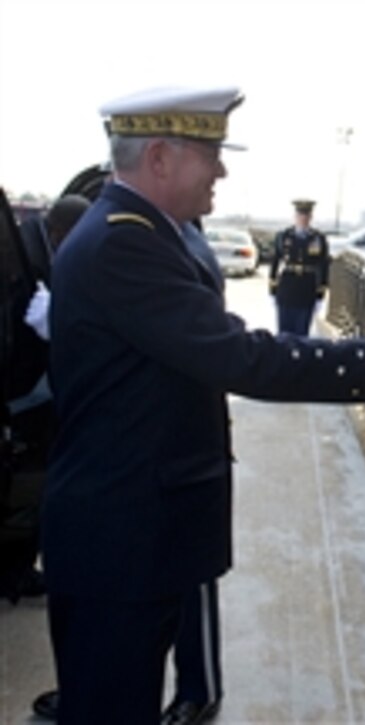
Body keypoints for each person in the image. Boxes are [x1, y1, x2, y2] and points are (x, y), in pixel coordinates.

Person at [43, 85, 365, 724]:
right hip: (121, 541)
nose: (221, 170)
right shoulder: (124, 243)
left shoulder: (143, 232)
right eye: (209, 152)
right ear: (162, 158)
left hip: (138, 531)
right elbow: (238, 356)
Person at [29, 220, 226, 724]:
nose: (219, 174)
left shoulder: (179, 244)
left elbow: (221, 348)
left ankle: (197, 688)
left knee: (186, 594)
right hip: (129, 486)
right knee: (108, 668)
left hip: (173, 470)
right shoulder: (114, 238)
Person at [268, 198, 330, 335]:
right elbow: (275, 262)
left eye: (306, 216)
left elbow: (324, 265)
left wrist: (321, 294)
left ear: (311, 217)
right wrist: (272, 289)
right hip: (286, 288)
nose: (303, 219)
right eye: (300, 215)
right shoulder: (283, 236)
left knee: (302, 334)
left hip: (307, 289)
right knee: (283, 333)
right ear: (295, 216)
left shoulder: (318, 238)